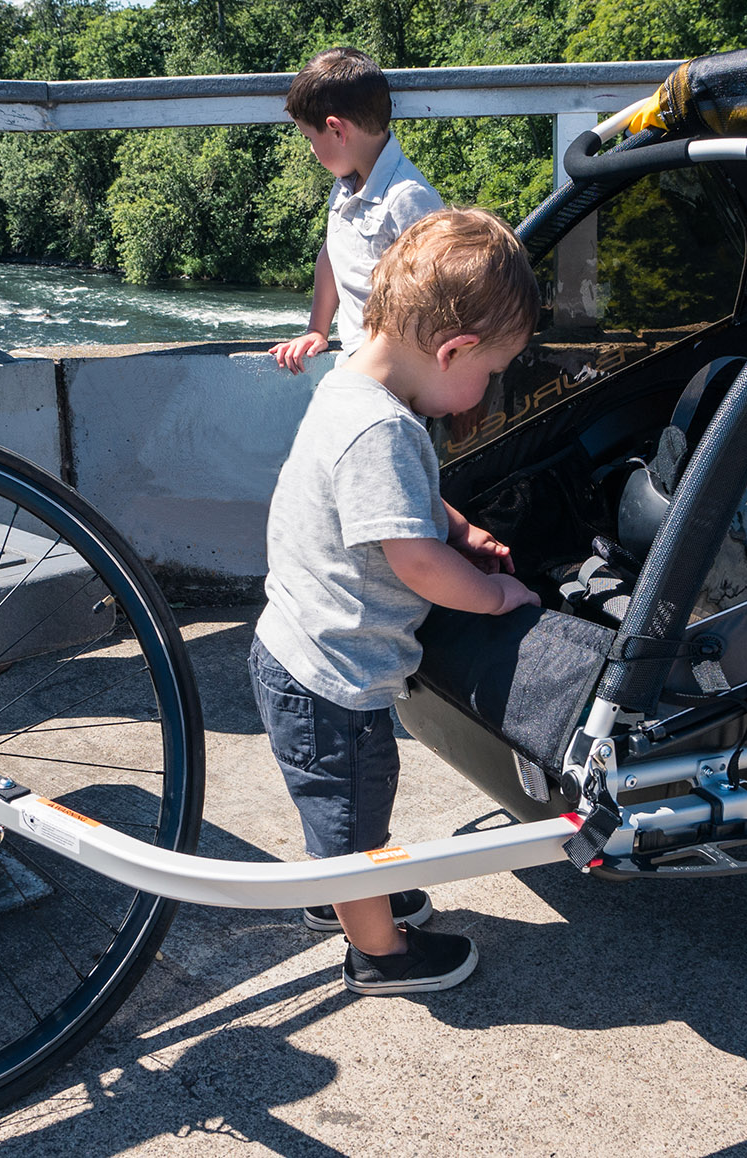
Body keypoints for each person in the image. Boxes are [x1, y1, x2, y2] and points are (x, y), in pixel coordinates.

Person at [250, 207, 541, 995]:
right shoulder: (381, 430)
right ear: (453, 351)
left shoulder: (354, 385)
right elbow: (414, 560)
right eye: (490, 372)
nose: (485, 390)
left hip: (302, 650)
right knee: (353, 816)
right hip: (329, 680)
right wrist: (489, 593)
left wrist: (463, 526)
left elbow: (404, 508)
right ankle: (378, 953)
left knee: (340, 806)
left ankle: (349, 899)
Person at [270, 47, 445, 374]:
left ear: (337, 131)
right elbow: (332, 253)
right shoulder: (345, 186)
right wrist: (316, 330)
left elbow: (436, 299)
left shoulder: (409, 199)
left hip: (395, 377)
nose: (310, 149)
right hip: (354, 364)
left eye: (309, 137)